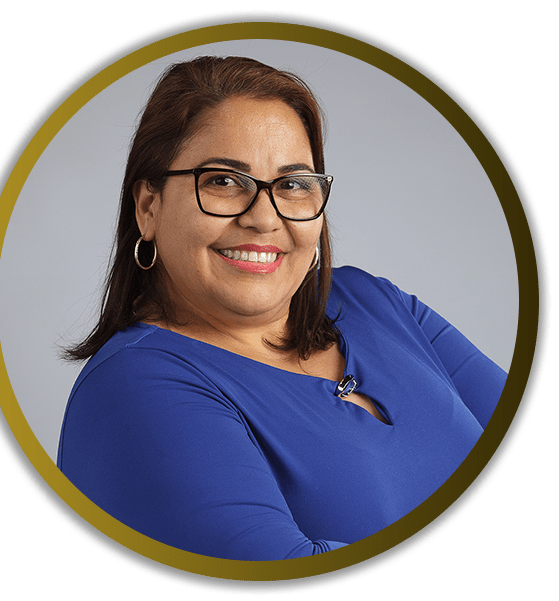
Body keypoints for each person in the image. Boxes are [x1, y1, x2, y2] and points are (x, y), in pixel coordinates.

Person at [58, 56, 507, 560]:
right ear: (149, 207)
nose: (264, 218)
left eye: (292, 185)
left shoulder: (374, 301)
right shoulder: (133, 387)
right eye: (223, 181)